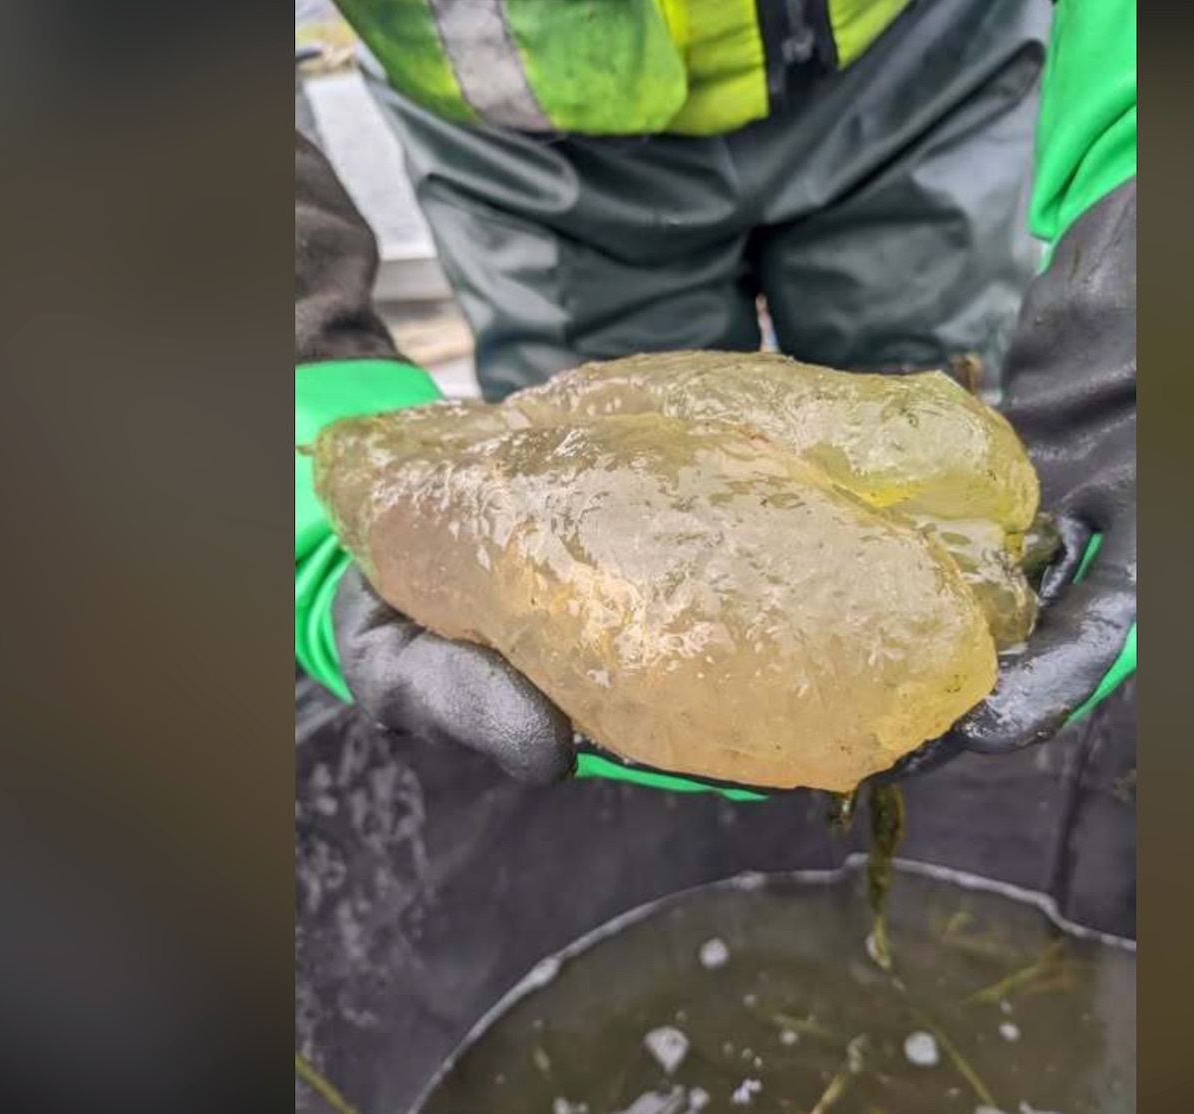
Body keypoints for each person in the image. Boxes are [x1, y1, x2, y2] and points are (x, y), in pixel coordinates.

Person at [294, 1, 1135, 1109]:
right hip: (533, 138)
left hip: (927, 59)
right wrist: (293, 390)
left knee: (944, 423)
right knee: (598, 517)